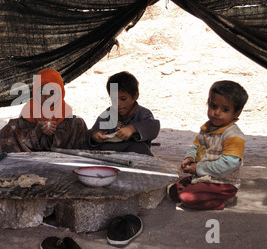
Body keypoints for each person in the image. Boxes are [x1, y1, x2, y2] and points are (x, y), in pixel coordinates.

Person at [167, 80, 249, 210]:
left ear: (237, 113)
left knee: (188, 198)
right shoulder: (207, 128)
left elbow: (229, 164)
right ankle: (198, 190)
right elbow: (197, 147)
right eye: (213, 106)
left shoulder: (234, 136)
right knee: (173, 191)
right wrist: (190, 158)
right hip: (204, 177)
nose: (217, 112)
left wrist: (198, 168)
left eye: (225, 109)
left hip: (222, 183)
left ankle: (222, 201)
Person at [0, 68, 88, 152]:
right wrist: (37, 132)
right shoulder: (29, 110)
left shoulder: (66, 113)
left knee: (78, 123)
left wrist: (55, 134)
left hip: (62, 159)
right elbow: (17, 137)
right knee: (11, 128)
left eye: (52, 93)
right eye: (41, 92)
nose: (47, 98)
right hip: (32, 159)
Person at [86, 71, 160, 155]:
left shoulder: (142, 114)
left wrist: (132, 128)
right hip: (111, 150)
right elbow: (94, 130)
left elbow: (153, 127)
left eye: (123, 99)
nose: (118, 104)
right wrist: (94, 135)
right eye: (114, 99)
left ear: (135, 96)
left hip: (134, 152)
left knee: (140, 148)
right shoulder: (108, 114)